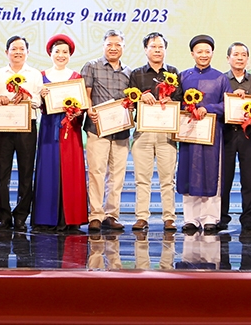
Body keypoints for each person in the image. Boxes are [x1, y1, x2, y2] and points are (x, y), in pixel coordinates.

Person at [127, 32, 183, 232]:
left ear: (165, 50)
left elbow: (181, 101)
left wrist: (172, 100)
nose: (157, 50)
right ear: (145, 50)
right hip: (143, 133)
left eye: (160, 47)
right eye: (153, 47)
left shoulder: (175, 73)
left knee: (168, 179)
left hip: (167, 134)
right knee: (142, 178)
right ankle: (142, 217)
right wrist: (141, 96)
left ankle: (169, 218)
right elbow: (129, 100)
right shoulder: (136, 74)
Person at [32, 35, 88, 231]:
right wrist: (40, 97)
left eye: (65, 52)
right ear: (50, 54)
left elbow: (83, 106)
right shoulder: (40, 76)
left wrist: (77, 113)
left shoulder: (76, 78)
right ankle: (45, 218)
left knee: (71, 171)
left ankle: (71, 218)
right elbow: (36, 104)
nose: (61, 55)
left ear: (70, 55)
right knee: (48, 170)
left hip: (70, 130)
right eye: (57, 51)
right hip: (48, 128)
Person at [81, 29, 131, 232]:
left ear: (123, 47)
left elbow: (131, 102)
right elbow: (85, 95)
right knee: (96, 173)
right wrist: (89, 109)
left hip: (121, 131)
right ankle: (95, 214)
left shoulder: (129, 72)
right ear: (103, 46)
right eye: (109, 44)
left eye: (117, 44)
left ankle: (112, 215)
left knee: (117, 175)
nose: (113, 48)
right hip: (97, 129)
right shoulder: (91, 66)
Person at [176, 35, 226, 232]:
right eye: (200, 51)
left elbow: (227, 105)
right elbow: (176, 102)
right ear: (192, 54)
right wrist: (186, 108)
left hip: (213, 134)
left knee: (212, 174)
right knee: (188, 174)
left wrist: (210, 108)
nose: (203, 55)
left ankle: (211, 218)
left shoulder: (221, 78)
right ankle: (190, 219)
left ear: (212, 53)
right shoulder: (184, 76)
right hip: (189, 132)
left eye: (207, 51)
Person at [0, 35, 42, 230]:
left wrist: (28, 99)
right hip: (3, 128)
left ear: (27, 52)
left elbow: (39, 101)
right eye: (14, 49)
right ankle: (3, 215)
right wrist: (0, 97)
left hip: (26, 127)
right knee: (1, 173)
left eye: (22, 49)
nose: (18, 52)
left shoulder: (35, 74)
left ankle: (21, 216)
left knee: (26, 172)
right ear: (7, 52)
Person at [217, 42, 251, 233]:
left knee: (249, 179)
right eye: (235, 54)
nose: (239, 58)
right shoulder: (221, 80)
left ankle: (247, 219)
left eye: (243, 55)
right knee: (225, 179)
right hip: (227, 134)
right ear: (228, 58)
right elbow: (217, 106)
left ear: (248, 59)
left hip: (249, 135)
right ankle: (222, 218)